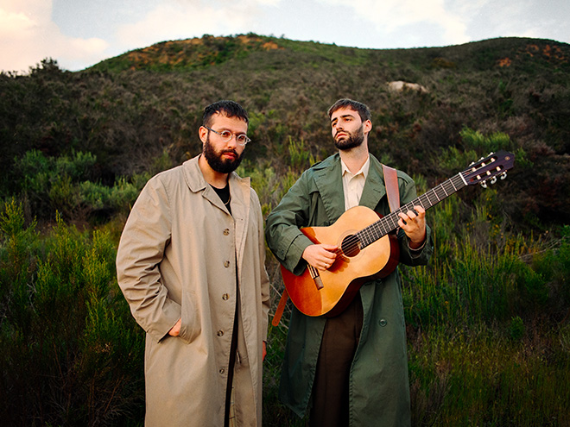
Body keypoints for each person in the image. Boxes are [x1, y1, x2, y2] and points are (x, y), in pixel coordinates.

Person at [265, 98, 433, 426]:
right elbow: (277, 223)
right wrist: (304, 250)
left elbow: (418, 253)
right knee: (327, 410)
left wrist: (416, 236)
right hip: (327, 305)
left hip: (378, 309)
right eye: (333, 122)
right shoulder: (313, 178)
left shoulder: (397, 183)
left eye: (347, 118)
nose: (338, 125)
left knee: (377, 407)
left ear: (366, 125)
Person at [116, 100, 270, 427]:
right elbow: (132, 267)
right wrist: (172, 320)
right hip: (188, 351)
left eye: (241, 137)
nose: (232, 144)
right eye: (224, 133)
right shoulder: (165, 188)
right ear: (204, 134)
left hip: (243, 353)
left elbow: (260, 277)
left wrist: (261, 333)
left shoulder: (249, 198)